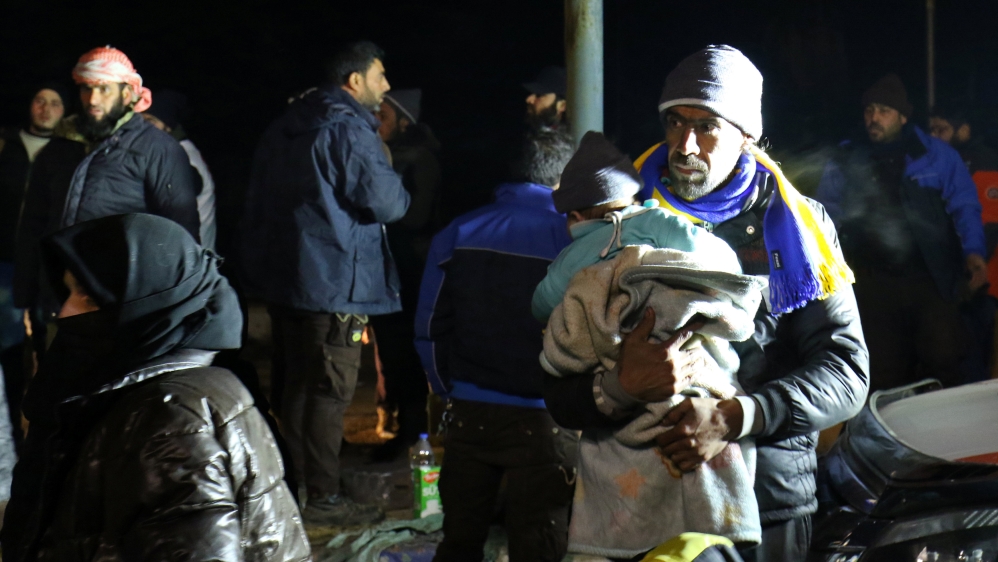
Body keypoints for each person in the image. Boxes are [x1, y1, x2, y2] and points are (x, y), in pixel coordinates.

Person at [542, 45, 869, 562]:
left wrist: (737, 416)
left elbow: (847, 372)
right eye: (675, 121)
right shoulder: (616, 219)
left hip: (766, 510)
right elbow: (557, 384)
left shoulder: (797, 228)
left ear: (748, 134)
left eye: (708, 125)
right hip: (632, 510)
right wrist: (619, 387)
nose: (685, 143)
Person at [0, 213, 310, 562]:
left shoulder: (170, 417)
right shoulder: (156, 390)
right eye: (68, 292)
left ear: (145, 303)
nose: (65, 311)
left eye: (87, 297)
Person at [533, 132, 766, 556]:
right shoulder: (663, 222)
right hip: (697, 400)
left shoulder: (575, 255)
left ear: (576, 214)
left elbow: (543, 302)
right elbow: (724, 267)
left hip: (623, 417)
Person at [241, 40, 409, 526]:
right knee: (329, 394)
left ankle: (291, 487)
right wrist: (389, 167)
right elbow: (388, 203)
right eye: (380, 75)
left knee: (295, 387)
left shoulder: (284, 126)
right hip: (335, 282)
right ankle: (323, 495)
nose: (386, 86)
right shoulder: (348, 130)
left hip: (288, 282)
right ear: (353, 81)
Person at [415, 129, 578, 562]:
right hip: (548, 421)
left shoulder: (458, 231)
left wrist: (445, 389)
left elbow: (429, 325)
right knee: (539, 545)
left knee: (459, 541)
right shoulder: (574, 242)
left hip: (470, 413)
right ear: (561, 182)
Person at [816, 73, 986, 391]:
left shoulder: (935, 156)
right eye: (869, 111)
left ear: (903, 116)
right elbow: (826, 217)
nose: (874, 118)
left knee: (944, 359)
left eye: (884, 111)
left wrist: (974, 252)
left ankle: (943, 436)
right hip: (872, 281)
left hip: (931, 278)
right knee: (882, 370)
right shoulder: (847, 157)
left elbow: (965, 207)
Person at [3, 84, 86, 439]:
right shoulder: (7, 146)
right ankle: (10, 428)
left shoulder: (73, 152)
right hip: (5, 259)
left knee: (45, 344)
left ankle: (40, 429)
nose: (46, 108)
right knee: (8, 345)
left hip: (49, 263)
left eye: (54, 102)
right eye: (40, 100)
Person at [369, 88, 441, 460]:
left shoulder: (419, 159)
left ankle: (414, 432)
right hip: (390, 266)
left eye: (383, 115)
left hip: (410, 268)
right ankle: (405, 427)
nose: (376, 122)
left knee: (406, 351)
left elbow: (416, 215)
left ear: (403, 119)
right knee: (392, 352)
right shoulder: (390, 156)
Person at [61, 46, 200, 238]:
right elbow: (34, 221)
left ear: (126, 95)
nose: (93, 99)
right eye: (87, 88)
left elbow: (182, 231)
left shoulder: (158, 148)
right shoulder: (63, 143)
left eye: (104, 89)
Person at [144, 90, 218, 250]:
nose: (143, 127)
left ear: (168, 126)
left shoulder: (182, 158)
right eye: (139, 120)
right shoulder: (168, 149)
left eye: (150, 120)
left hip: (191, 263)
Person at [524, 66, 568, 132]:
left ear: (562, 105)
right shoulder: (537, 134)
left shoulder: (573, 137)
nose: (528, 99)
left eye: (539, 95)